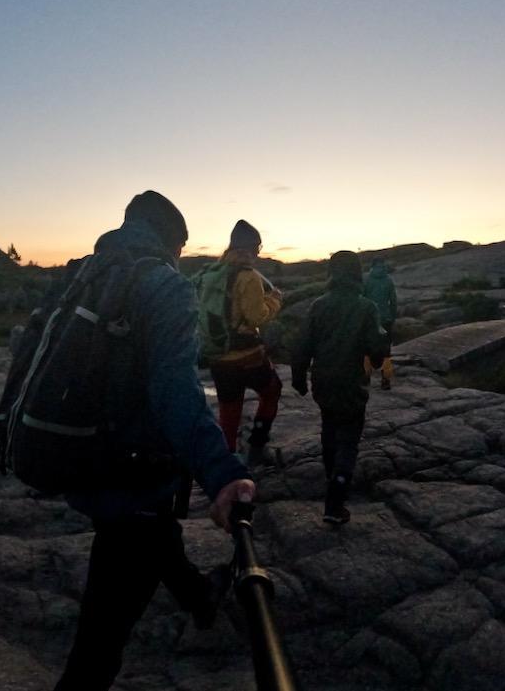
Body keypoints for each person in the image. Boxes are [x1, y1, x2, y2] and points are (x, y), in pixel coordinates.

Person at [54, 191, 255, 691]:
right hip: (133, 474)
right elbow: (176, 392)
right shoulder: (162, 284)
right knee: (98, 646)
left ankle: (200, 596)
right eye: (182, 248)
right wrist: (224, 473)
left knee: (158, 535)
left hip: (80, 460)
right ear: (174, 241)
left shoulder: (81, 275)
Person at [291, 250, 386, 525]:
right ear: (357, 274)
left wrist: (298, 378)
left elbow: (302, 345)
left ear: (331, 273)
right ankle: (336, 499)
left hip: (322, 382)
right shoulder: (367, 307)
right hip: (352, 382)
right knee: (349, 441)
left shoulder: (318, 305)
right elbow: (376, 348)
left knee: (329, 430)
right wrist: (378, 359)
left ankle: (332, 475)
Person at [202, 219, 283, 464]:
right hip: (246, 355)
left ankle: (227, 462)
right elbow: (257, 316)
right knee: (272, 391)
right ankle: (257, 446)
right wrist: (275, 300)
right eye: (258, 248)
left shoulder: (212, 272)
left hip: (217, 354)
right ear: (252, 247)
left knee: (229, 407)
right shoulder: (248, 276)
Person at [362, 257, 398, 390]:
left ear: (372, 266)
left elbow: (362, 299)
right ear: (383, 265)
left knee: (366, 349)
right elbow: (393, 301)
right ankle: (386, 379)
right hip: (386, 319)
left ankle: (365, 377)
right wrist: (392, 317)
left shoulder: (366, 279)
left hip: (369, 319)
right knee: (386, 350)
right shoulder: (389, 280)